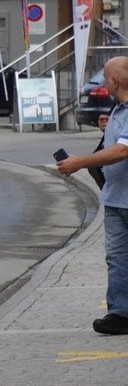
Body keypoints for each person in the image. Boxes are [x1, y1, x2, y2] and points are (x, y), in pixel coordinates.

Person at [57, 56, 128, 335]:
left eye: (105, 77)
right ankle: (120, 313)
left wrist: (79, 162)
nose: (103, 83)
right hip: (115, 198)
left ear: (114, 81)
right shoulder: (118, 110)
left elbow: (123, 150)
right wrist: (107, 126)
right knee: (117, 257)